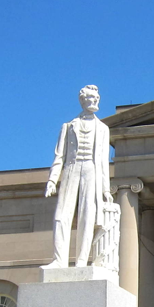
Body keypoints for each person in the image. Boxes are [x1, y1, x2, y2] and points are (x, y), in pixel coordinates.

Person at [42, 85, 112, 268]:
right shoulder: (68, 126)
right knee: (61, 215)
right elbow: (59, 156)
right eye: (91, 98)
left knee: (87, 217)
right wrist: (52, 180)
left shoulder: (103, 129)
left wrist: (106, 189)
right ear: (82, 100)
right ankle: (59, 260)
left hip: (92, 171)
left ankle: (82, 261)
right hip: (71, 169)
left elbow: (104, 162)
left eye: (97, 98)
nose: (95, 101)